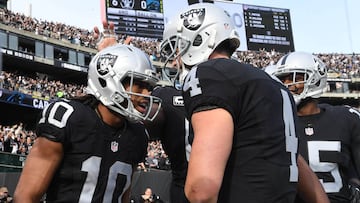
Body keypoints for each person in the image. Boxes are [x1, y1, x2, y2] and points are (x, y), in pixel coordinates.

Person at [160, 3, 329, 203]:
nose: (175, 58)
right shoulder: (274, 84)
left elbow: (202, 191)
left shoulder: (209, 73)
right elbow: (292, 160)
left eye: (179, 45)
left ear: (200, 38)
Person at [13, 44, 162, 202]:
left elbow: (122, 195)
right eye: (139, 84)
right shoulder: (69, 118)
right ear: (110, 80)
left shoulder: (137, 135)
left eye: (148, 87)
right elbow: (25, 196)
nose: (147, 94)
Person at [94, 21, 191, 203]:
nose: (175, 56)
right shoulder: (247, 88)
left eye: (180, 47)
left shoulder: (168, 98)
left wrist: (109, 70)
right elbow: (120, 122)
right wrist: (111, 66)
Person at [266, 51, 360, 203]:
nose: (287, 84)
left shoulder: (346, 118)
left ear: (315, 78)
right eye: (283, 79)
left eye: (295, 77)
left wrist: (355, 182)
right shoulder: (273, 122)